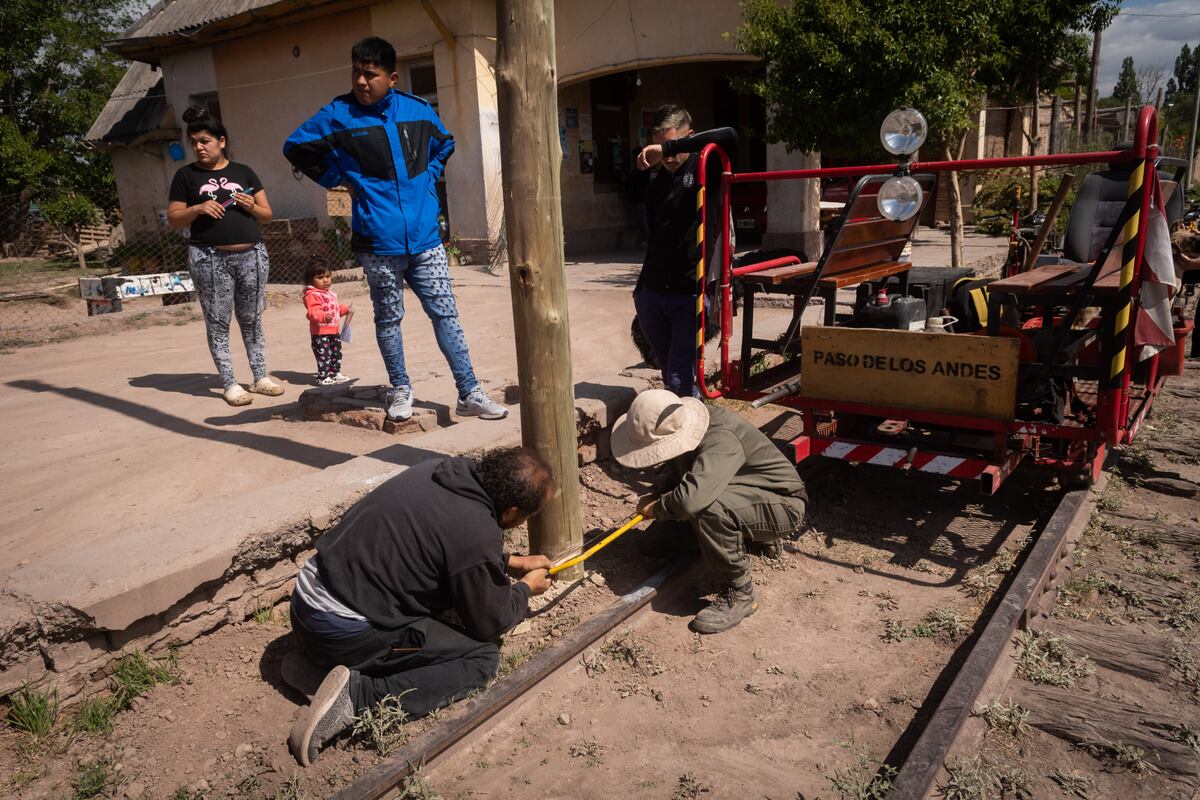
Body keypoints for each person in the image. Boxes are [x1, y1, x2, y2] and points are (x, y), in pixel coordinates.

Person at [283, 36, 508, 424]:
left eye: (370, 74)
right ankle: (401, 387)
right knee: (388, 319)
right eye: (356, 72)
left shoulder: (418, 110)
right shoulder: (338, 114)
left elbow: (445, 144)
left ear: (392, 78)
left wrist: (428, 179)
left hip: (426, 240)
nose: (361, 81)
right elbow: (296, 147)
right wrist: (340, 179)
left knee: (446, 315)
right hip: (378, 241)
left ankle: (469, 391)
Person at [285, 446, 555, 766]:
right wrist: (525, 589)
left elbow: (443, 542)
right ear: (511, 512)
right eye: (527, 516)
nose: (523, 523)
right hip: (342, 629)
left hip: (304, 605)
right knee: (482, 658)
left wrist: (509, 562)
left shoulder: (443, 471)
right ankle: (355, 697)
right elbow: (490, 621)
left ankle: (317, 663)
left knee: (442, 607)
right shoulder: (475, 532)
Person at [610, 390, 808, 634]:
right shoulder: (681, 426)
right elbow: (682, 477)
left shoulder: (720, 438)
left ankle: (741, 593)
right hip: (739, 495)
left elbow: (690, 501)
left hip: (782, 505)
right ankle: (746, 537)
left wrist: (660, 507)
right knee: (654, 544)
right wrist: (661, 492)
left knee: (711, 509)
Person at [167, 106, 284, 406]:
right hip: (209, 259)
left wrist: (249, 205)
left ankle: (260, 377)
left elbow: (267, 214)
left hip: (252, 256)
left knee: (252, 318)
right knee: (218, 321)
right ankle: (230, 383)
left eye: (204, 140)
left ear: (222, 140)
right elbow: (174, 218)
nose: (198, 147)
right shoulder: (185, 176)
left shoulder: (244, 172)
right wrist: (198, 208)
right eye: (193, 142)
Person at [633, 105, 736, 398]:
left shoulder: (708, 166)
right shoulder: (661, 179)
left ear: (689, 136)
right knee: (671, 372)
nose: (666, 156)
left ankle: (689, 437)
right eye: (660, 146)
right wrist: (640, 291)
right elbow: (655, 234)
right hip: (652, 292)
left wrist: (669, 147)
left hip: (690, 291)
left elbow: (729, 135)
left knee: (678, 375)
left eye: (671, 145)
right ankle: (694, 419)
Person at [303, 262, 352, 385]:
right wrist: (323, 316)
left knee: (336, 353)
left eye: (327, 276)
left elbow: (334, 310)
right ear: (311, 280)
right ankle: (323, 376)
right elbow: (312, 313)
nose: (325, 280)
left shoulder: (330, 293)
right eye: (320, 278)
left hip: (334, 331)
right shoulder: (312, 295)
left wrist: (344, 309)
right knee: (324, 355)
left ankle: (335, 373)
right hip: (320, 333)